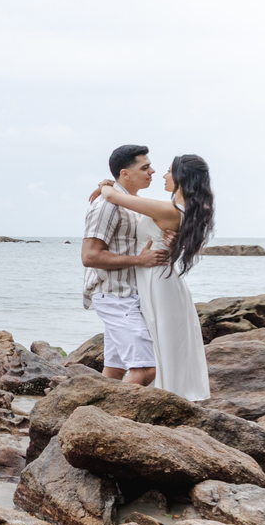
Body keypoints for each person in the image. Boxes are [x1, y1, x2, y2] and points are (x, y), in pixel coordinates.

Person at [93, 155, 214, 400]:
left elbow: (114, 197)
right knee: (157, 343)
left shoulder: (168, 210)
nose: (163, 175)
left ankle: (146, 400)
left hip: (157, 280)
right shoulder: (176, 208)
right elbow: (133, 202)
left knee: (161, 344)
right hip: (154, 277)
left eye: (169, 171)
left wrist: (106, 185)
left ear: (182, 178)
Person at [81, 145, 170, 385]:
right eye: (145, 167)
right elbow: (90, 256)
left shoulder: (130, 202)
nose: (152, 171)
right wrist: (140, 260)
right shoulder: (107, 205)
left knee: (114, 370)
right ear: (125, 173)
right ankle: (105, 423)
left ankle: (92, 416)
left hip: (130, 295)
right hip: (115, 296)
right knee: (146, 370)